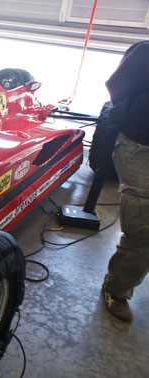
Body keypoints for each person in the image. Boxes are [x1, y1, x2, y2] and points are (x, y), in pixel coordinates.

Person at [101, 41, 149, 322]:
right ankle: (117, 289)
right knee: (144, 227)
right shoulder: (144, 53)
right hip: (141, 146)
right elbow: (117, 88)